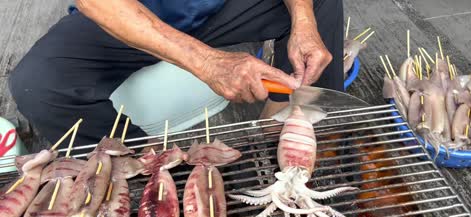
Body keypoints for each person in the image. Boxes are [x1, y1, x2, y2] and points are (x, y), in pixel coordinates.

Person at [9, 0, 343, 146]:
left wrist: (303, 20)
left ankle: (292, 128)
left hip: (217, 7)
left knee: (319, 3)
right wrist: (208, 63)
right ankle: (141, 169)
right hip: (133, 16)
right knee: (39, 84)